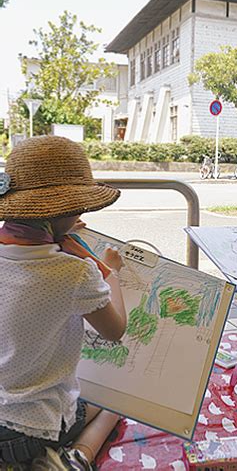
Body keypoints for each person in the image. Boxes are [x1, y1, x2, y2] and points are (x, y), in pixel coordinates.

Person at [0, 136, 127, 470]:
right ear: (64, 213)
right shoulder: (75, 272)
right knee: (115, 404)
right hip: (33, 428)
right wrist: (112, 273)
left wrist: (61, 228)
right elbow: (116, 330)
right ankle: (78, 457)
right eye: (78, 209)